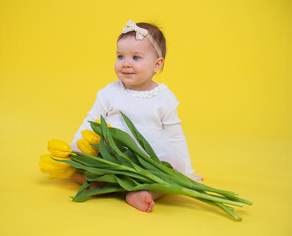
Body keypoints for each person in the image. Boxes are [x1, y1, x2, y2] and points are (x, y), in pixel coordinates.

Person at [70, 20, 202, 213]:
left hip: (152, 159)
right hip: (114, 156)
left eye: (136, 58)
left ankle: (139, 193)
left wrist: (187, 172)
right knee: (76, 170)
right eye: (120, 56)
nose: (126, 64)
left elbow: (175, 135)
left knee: (169, 176)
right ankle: (103, 184)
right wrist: (75, 147)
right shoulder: (108, 93)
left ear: (157, 65)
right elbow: (91, 121)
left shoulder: (164, 97)